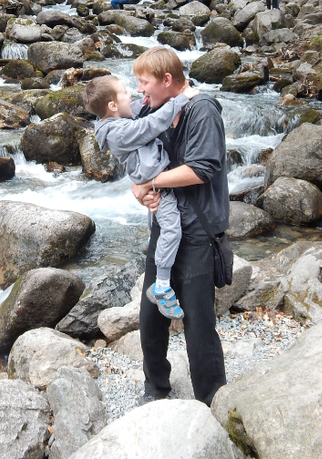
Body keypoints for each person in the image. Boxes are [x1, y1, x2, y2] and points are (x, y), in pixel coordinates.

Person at [131, 46, 229, 406]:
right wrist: (139, 189)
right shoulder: (152, 109)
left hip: (199, 232)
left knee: (199, 325)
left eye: (144, 83)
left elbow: (201, 168)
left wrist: (153, 183)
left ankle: (212, 400)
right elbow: (134, 161)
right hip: (164, 227)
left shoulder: (202, 112)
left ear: (167, 80)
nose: (140, 91)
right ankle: (155, 388)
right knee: (150, 315)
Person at [83, 75, 200, 321]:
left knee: (155, 220)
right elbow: (149, 125)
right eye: (125, 93)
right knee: (172, 230)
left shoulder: (117, 118)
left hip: (151, 179)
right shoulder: (119, 132)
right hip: (159, 185)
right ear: (113, 106)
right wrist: (180, 99)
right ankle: (162, 284)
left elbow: (141, 108)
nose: (132, 96)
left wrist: (154, 95)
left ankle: (151, 242)